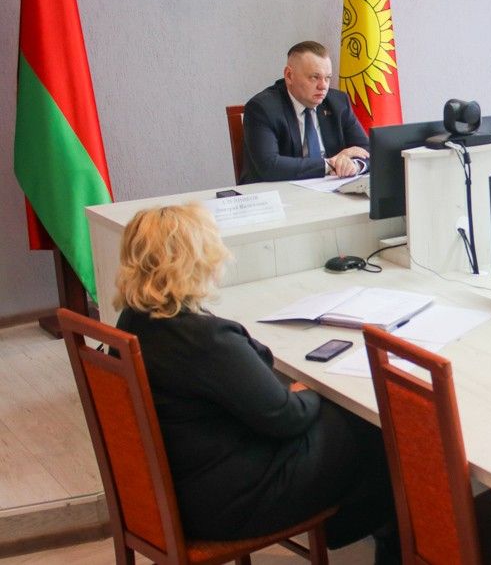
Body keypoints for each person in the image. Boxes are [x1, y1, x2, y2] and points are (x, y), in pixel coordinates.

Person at [112, 204, 398, 563]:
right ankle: (390, 543)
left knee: (351, 427)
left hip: (181, 491)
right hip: (231, 502)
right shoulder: (205, 339)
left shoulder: (131, 323)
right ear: (196, 260)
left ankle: (362, 530)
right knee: (376, 429)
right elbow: (286, 417)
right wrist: (308, 392)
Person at [241, 41, 370, 183]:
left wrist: (354, 165)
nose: (323, 86)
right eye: (314, 77)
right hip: (279, 191)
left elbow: (368, 150)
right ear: (289, 76)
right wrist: (330, 164)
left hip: (328, 189)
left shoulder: (338, 102)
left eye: (327, 78)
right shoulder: (262, 108)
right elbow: (269, 166)